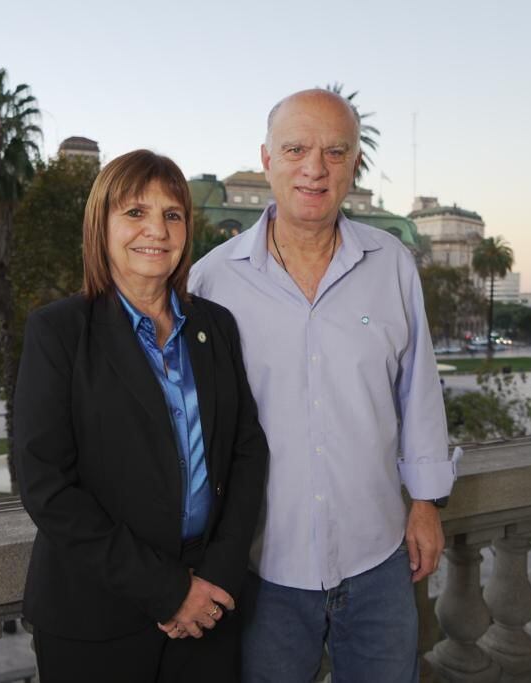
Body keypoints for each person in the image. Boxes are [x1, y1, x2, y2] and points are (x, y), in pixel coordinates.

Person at [189, 89, 456, 682]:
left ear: (354, 162)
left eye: (336, 152)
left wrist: (426, 502)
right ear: (266, 159)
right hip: (262, 568)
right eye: (296, 149)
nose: (315, 168)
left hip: (380, 556)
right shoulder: (211, 281)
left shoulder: (391, 264)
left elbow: (419, 391)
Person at [15, 149, 268, 683]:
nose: (156, 229)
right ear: (100, 226)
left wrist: (217, 578)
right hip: (95, 617)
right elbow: (46, 487)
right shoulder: (58, 333)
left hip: (208, 607)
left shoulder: (215, 327)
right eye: (135, 213)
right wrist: (169, 592)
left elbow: (247, 452)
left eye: (172, 214)